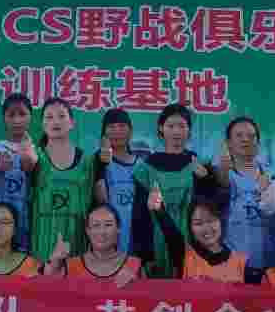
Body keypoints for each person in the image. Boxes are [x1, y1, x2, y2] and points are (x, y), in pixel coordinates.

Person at [130, 103, 217, 278]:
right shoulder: (146, 167)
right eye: (171, 126)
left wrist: (206, 179)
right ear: (161, 129)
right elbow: (140, 215)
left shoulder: (199, 164)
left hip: (192, 241)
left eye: (182, 126)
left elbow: (212, 207)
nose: (176, 131)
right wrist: (144, 256)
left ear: (189, 130)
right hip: (157, 241)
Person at [18, 98, 98, 262]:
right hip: (42, 244)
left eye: (61, 116)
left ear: (72, 123)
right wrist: (26, 159)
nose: (56, 121)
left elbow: (94, 202)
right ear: (42, 124)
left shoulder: (87, 161)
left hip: (77, 244)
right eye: (49, 117)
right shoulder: (36, 157)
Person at [213, 116, 275, 276]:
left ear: (258, 143)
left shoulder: (273, 174)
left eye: (251, 136)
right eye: (239, 135)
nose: (245, 140)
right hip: (231, 267)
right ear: (228, 143)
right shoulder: (219, 175)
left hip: (269, 267)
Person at [0, 93, 34, 252]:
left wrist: (27, 154)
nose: (17, 120)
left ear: (30, 117)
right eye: (11, 115)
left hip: (25, 220)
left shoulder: (37, 151)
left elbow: (31, 166)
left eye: (22, 114)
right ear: (4, 118)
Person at [93, 109, 146, 254]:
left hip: (137, 238)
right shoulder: (96, 161)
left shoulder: (141, 165)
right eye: (111, 127)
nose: (117, 131)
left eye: (122, 126)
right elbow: (99, 200)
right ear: (104, 133)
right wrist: (101, 164)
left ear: (131, 131)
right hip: (108, 239)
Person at [52, 203, 143, 286]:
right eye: (96, 225)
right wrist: (54, 261)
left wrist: (136, 285)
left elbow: (147, 296)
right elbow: (50, 291)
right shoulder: (71, 266)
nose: (102, 232)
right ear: (88, 231)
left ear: (118, 228)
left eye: (108, 225)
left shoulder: (135, 266)